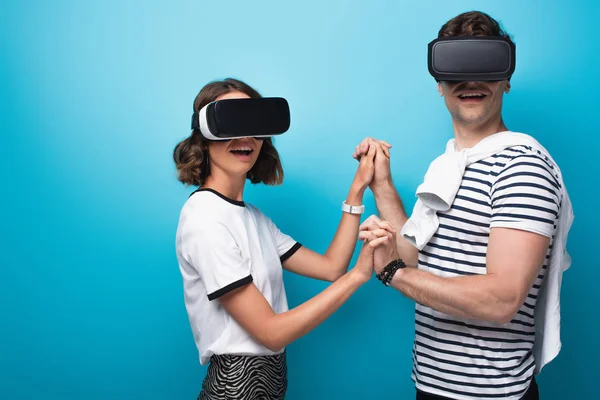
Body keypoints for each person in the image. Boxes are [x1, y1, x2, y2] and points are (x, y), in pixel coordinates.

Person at [354, 11, 572, 400]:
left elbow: (501, 299)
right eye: (456, 67)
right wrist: (382, 185)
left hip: (493, 394)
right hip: (432, 385)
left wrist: (393, 274)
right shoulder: (448, 165)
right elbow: (418, 259)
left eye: (485, 67)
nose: (470, 81)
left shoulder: (522, 167)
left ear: (506, 78)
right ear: (439, 82)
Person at [173, 78, 392, 400]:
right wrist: (360, 276)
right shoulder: (204, 217)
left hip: (270, 384)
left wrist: (357, 188)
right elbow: (271, 333)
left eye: (254, 124)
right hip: (236, 388)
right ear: (203, 139)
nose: (245, 136)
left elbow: (331, 267)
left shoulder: (253, 218)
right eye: (231, 123)